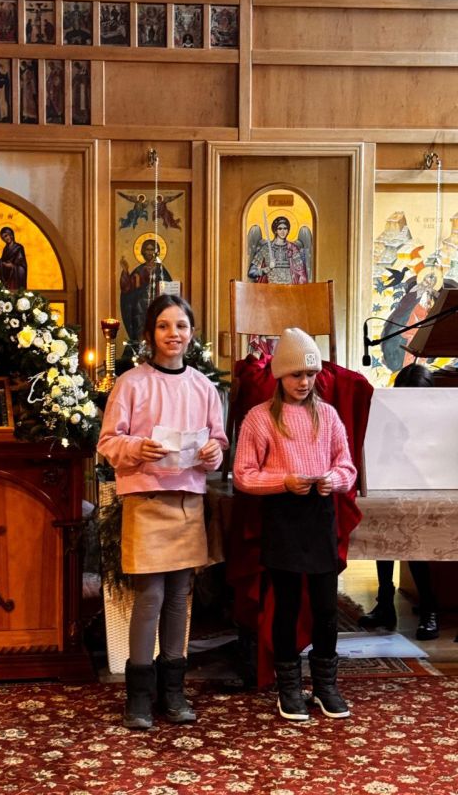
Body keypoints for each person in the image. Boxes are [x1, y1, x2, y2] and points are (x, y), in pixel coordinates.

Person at [97, 293, 228, 730]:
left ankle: (173, 691)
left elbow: (218, 443)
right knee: (150, 596)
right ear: (150, 334)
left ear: (192, 333)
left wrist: (212, 453)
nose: (174, 334)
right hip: (147, 500)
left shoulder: (203, 386)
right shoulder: (132, 383)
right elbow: (108, 442)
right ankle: (138, 696)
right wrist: (138, 447)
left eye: (182, 326)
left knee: (178, 597)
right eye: (164, 326)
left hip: (187, 501)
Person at [233, 328, 357, 721]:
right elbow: (244, 474)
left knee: (325, 607)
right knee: (286, 606)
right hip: (283, 516)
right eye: (296, 375)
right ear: (280, 376)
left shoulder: (329, 415)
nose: (304, 382)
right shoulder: (259, 418)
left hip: (319, 515)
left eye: (310, 374)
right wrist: (283, 481)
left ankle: (325, 685)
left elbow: (347, 467)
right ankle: (289, 686)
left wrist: (333, 479)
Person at [358, 362, 439, 640]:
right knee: (383, 538)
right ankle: (385, 603)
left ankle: (429, 607)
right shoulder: (389, 419)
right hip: (393, 484)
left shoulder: (438, 418)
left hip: (427, 489)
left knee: (414, 545)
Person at [119, 238, 172, 341]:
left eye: (152, 250)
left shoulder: (161, 270)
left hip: (157, 306)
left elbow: (168, 289)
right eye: (147, 249)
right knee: (141, 331)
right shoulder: (139, 270)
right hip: (140, 309)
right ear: (143, 251)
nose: (149, 252)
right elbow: (126, 288)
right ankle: (141, 346)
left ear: (156, 252)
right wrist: (125, 271)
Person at [248, 215, 308, 285]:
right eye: (280, 229)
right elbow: (251, 272)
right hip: (270, 288)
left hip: (289, 288)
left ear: (288, 231)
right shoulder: (266, 248)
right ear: (275, 231)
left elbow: (301, 272)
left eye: (285, 228)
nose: (283, 231)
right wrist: (267, 269)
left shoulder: (293, 248)